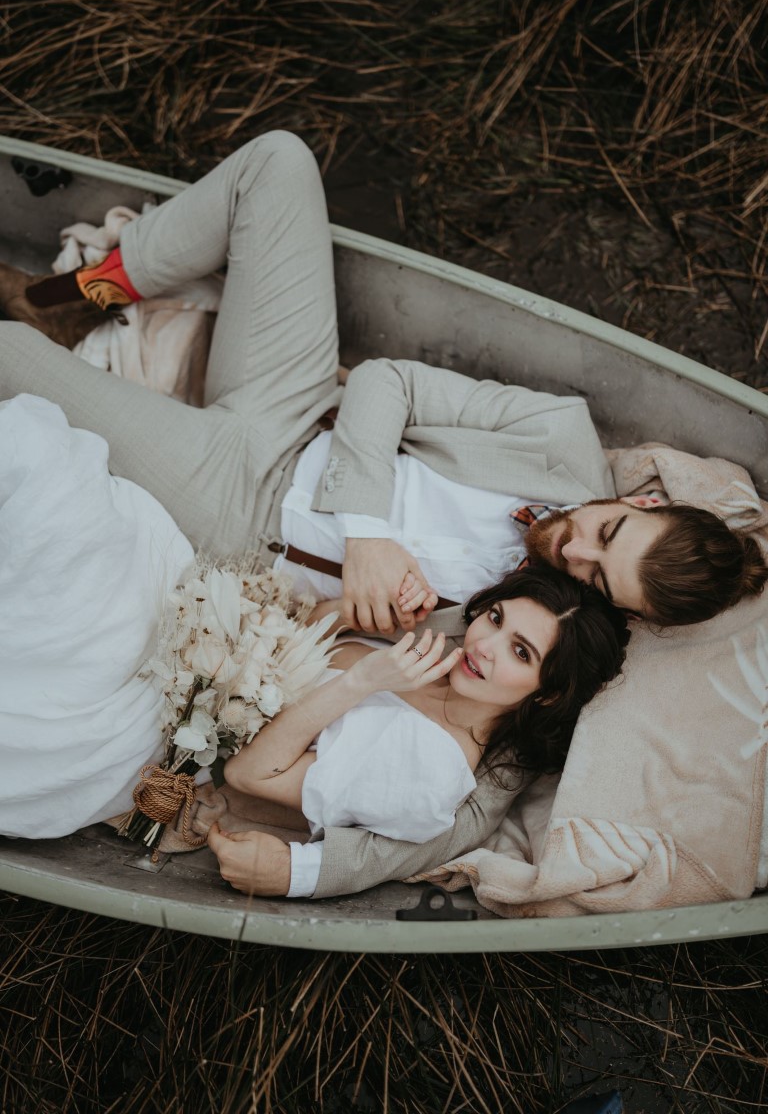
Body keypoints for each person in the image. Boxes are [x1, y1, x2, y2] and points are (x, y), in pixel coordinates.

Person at [0, 131, 764, 893]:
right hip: (298, 410)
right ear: (643, 499)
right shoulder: (560, 436)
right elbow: (384, 383)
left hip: (233, 512)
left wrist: (301, 870)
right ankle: (62, 300)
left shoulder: (525, 635)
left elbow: (470, 808)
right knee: (279, 164)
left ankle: (38, 333)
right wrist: (369, 533)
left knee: (11, 362)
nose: (576, 556)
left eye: (602, 579)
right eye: (609, 533)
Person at [220, 567, 629, 895]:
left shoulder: (427, 770)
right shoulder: (436, 658)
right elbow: (297, 635)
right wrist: (354, 614)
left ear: (548, 695)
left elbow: (247, 774)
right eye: (495, 618)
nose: (484, 645)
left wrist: (359, 682)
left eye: (520, 652)